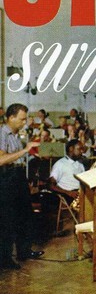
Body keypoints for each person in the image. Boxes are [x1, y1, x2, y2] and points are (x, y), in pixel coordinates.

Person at [0, 103, 44, 270]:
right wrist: (25, 150)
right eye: (22, 119)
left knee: (25, 215)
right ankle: (5, 258)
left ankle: (24, 251)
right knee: (8, 219)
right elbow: (1, 160)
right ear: (11, 117)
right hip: (7, 178)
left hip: (18, 176)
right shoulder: (2, 134)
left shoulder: (15, 134)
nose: (24, 122)